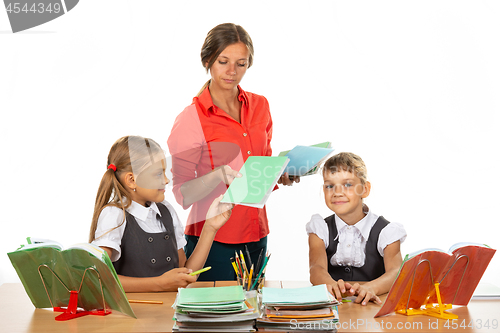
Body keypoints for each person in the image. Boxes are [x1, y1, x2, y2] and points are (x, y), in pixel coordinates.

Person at [167, 23, 298, 281]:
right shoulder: (190, 119)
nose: (232, 71)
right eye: (223, 61)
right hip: (213, 239)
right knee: (215, 317)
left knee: (252, 313)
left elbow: (261, 165)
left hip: (257, 233)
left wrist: (281, 174)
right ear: (207, 61)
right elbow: (182, 195)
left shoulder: (260, 105)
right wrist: (216, 176)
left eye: (241, 63)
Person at [89, 136, 233, 292]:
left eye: (165, 173)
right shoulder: (114, 215)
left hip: (169, 311)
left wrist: (210, 227)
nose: (165, 180)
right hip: (135, 314)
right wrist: (160, 283)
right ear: (131, 180)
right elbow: (99, 276)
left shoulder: (166, 210)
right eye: (158, 174)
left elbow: (186, 271)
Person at [307, 152, 406, 305]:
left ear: (365, 189)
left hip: (373, 309)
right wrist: (330, 284)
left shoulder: (386, 231)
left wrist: (372, 287)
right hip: (335, 308)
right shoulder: (320, 229)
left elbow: (396, 271)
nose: (337, 192)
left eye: (347, 184)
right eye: (330, 186)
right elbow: (316, 268)